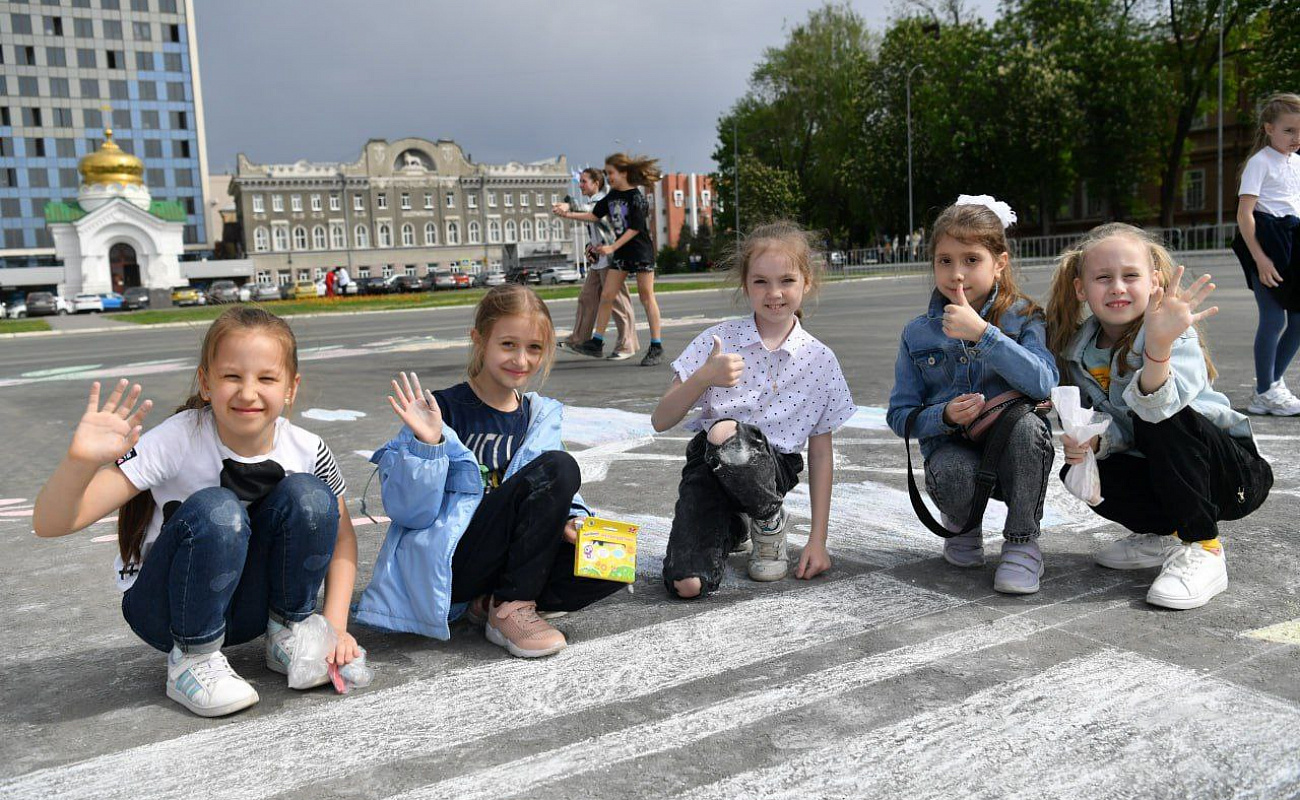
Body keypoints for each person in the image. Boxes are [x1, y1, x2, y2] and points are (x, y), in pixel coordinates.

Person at [32, 306, 360, 717]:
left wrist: (332, 627)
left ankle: (288, 635)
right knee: (219, 508)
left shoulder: (308, 449)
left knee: (311, 497)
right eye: (231, 376)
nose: (248, 391)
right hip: (165, 609)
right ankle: (191, 659)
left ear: (291, 387)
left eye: (267, 378)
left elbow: (343, 539)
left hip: (249, 608)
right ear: (206, 382)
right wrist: (79, 462)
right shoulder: (178, 438)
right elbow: (50, 523)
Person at [353, 284, 622, 657]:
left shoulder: (537, 415)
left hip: (512, 556)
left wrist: (572, 520)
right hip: (456, 560)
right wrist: (427, 447)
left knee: (613, 558)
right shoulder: (440, 410)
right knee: (560, 466)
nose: (521, 360)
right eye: (508, 345)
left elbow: (559, 493)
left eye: (534, 348)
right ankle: (513, 607)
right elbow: (409, 512)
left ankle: (491, 605)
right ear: (479, 340)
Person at [1047, 223, 1273, 609]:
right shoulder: (1078, 351)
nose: (1118, 286)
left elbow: (1162, 411)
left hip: (1230, 474)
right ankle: (1161, 534)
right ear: (1081, 289)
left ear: (1154, 282)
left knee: (1158, 414)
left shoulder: (1170, 331)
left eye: (1130, 276)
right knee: (1082, 469)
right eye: (1104, 278)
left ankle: (1204, 547)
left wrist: (1158, 346)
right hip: (1167, 467)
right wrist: (1097, 441)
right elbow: (1124, 426)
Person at [651, 221, 855, 598]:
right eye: (760, 281)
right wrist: (704, 377)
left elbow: (821, 452)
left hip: (772, 470)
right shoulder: (720, 340)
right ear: (745, 285)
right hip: (707, 468)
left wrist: (818, 540)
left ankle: (768, 520)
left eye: (787, 281)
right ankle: (737, 527)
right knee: (686, 584)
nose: (774, 293)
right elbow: (661, 419)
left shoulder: (820, 360)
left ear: (806, 283)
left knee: (728, 433)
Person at [886, 196, 1058, 594]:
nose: (956, 273)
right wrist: (944, 416)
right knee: (955, 472)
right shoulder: (918, 333)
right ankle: (963, 522)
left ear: (999, 262)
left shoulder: (1025, 316)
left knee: (1028, 429)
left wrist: (984, 334)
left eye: (971, 260)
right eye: (945, 260)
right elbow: (900, 415)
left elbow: (1044, 382)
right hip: (953, 450)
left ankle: (1021, 544)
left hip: (1015, 452)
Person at [552, 153, 664, 366]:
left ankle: (656, 346)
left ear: (623, 173)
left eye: (610, 173)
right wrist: (567, 216)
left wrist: (612, 246)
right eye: (606, 173)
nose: (608, 176)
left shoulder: (636, 198)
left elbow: (635, 228)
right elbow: (594, 215)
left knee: (646, 297)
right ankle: (596, 342)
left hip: (640, 252)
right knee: (607, 296)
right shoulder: (611, 197)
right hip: (620, 254)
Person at [1236, 93, 1300, 415]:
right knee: (1274, 319)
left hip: (1294, 239)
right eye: (1289, 131)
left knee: (1299, 320)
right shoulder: (1259, 162)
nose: (1296, 138)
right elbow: (1244, 214)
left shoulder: (1298, 163)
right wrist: (1260, 258)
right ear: (1269, 128)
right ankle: (1265, 390)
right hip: (1266, 240)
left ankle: (1271, 386)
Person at [560, 167, 639, 360]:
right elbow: (599, 231)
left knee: (618, 304)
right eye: (580, 181)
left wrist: (568, 207)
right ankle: (580, 340)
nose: (580, 185)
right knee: (587, 298)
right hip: (599, 262)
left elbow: (593, 213)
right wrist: (590, 246)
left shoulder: (604, 202)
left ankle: (627, 345)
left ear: (596, 183)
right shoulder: (595, 202)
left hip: (613, 261)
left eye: (584, 181)